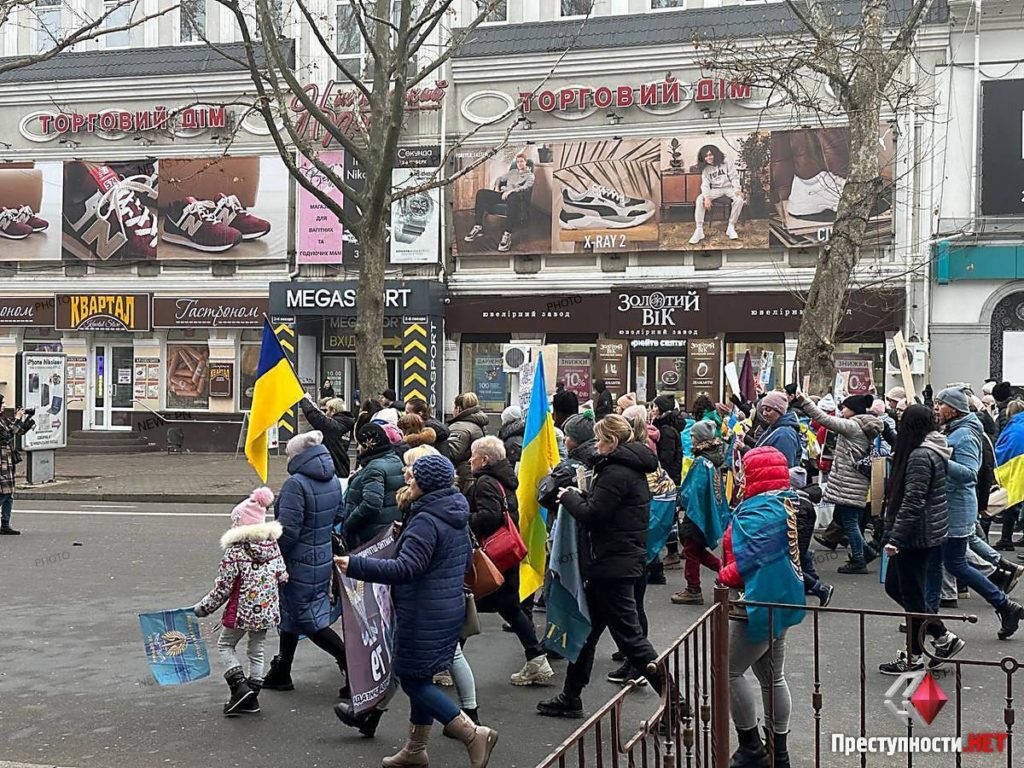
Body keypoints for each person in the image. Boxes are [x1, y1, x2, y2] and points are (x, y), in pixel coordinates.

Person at [336, 455, 499, 768]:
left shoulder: (425, 519)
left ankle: (472, 734)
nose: (406, 481)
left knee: (412, 680)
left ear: (426, 483)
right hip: (446, 607)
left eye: (412, 477)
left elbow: (406, 568)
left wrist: (354, 564)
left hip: (423, 612)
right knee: (421, 676)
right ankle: (414, 750)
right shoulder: (453, 510)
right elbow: (462, 561)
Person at [538, 415, 663, 718]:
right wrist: (582, 495)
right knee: (587, 632)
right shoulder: (623, 469)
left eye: (601, 439)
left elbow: (594, 514)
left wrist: (569, 497)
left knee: (631, 640)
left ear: (613, 442)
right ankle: (571, 695)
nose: (597, 445)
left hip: (612, 565)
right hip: (611, 561)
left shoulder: (616, 472)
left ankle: (675, 702)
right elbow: (604, 507)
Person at [719, 447, 805, 768]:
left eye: (743, 470)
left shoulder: (759, 512)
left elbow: (746, 564)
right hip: (780, 598)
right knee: (772, 677)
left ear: (753, 473)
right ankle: (778, 755)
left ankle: (751, 747)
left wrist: (723, 573)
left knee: (728, 671)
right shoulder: (784, 504)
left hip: (755, 601)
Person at [878, 404, 964, 675]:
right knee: (897, 587)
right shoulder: (932, 450)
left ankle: (915, 656)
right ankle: (942, 636)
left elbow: (913, 500)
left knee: (911, 596)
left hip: (915, 536)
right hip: (925, 532)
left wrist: (896, 537)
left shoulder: (920, 455)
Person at [262, 431, 350, 695]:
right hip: (321, 556)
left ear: (299, 456)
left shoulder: (296, 485)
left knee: (309, 618)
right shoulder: (333, 480)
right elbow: (339, 513)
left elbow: (288, 530)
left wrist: (274, 556)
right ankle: (282, 670)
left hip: (297, 560)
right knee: (291, 613)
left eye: (289, 454)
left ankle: (350, 663)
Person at [932, 387, 1024, 640]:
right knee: (947, 562)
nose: (937, 408)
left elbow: (969, 472)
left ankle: (1004, 604)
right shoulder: (955, 430)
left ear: (954, 408)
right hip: (950, 506)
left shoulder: (965, 434)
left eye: (940, 404)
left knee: (952, 562)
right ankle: (926, 617)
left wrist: (938, 458)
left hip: (957, 508)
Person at [468, 436, 555, 686]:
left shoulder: (485, 482)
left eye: (473, 455)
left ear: (484, 459)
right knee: (509, 608)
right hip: (506, 555)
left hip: (491, 556)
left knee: (466, 605)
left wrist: (464, 517)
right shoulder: (504, 479)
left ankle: (445, 663)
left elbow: (489, 516)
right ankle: (537, 658)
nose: (470, 460)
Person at [193, 487, 287, 716]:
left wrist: (203, 608)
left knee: (225, 645)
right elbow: (283, 575)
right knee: (257, 649)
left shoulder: (235, 551)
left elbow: (223, 587)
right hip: (267, 611)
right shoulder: (272, 545)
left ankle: (239, 686)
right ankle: (252, 694)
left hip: (241, 611)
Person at [794, 393, 883, 574]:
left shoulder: (853, 426)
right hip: (852, 483)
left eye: (845, 407)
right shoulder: (863, 426)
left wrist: (805, 401)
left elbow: (824, 419)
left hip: (848, 484)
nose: (842, 410)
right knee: (845, 519)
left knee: (850, 523)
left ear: (854, 410)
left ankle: (859, 560)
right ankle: (867, 551)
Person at [672, 420, 727, 606]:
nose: (691, 438)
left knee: (691, 550)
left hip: (697, 514)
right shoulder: (712, 460)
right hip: (705, 512)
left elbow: (694, 490)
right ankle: (726, 571)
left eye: (693, 436)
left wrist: (682, 498)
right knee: (695, 550)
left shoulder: (701, 462)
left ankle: (693, 588)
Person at [341, 424, 405, 549]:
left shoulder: (374, 468)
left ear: (368, 445)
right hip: (386, 531)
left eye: (360, 444)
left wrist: (348, 523)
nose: (359, 448)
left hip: (371, 535)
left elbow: (371, 504)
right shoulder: (395, 459)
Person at [463, 153, 535, 253]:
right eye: (518, 162)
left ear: (526, 162)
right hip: (503, 194)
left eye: (521, 161)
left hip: (516, 197)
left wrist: (510, 191)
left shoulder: (530, 175)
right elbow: (499, 179)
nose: (519, 164)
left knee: (513, 197)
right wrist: (497, 187)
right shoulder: (512, 172)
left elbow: (526, 187)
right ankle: (478, 226)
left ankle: (507, 234)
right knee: (481, 193)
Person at [789, 468, 834, 606]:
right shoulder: (804, 499)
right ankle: (813, 583)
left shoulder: (799, 503)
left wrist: (794, 545)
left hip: (796, 543)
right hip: (801, 543)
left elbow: (799, 529)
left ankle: (819, 587)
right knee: (805, 559)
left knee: (790, 568)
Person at [689, 144, 744, 244]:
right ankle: (699, 230)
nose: (708, 158)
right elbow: (705, 184)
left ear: (715, 154)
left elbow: (734, 177)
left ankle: (731, 226)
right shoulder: (705, 169)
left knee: (740, 199)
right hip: (715, 189)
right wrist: (706, 197)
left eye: (710, 154)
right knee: (699, 199)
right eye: (705, 156)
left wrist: (737, 189)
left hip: (729, 188)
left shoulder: (726, 162)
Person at [299, 395, 356, 478]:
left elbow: (315, 416)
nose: (325, 413)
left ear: (333, 411)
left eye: (326, 410)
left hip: (334, 470)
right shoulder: (346, 424)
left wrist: (304, 399)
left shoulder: (333, 426)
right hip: (343, 468)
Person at [443, 393, 490, 492]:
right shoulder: (477, 423)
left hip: (462, 478)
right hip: (473, 474)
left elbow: (452, 453)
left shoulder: (460, 426)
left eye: (454, 407)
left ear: (459, 409)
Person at [0, 394, 32, 535]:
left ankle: (5, 524)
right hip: (1, 460)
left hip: (7, 460)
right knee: (4, 493)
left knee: (9, 494)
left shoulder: (3, 419)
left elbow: (18, 431)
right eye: (2, 403)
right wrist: (18, 418)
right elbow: (6, 436)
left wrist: (27, 420)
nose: (4, 406)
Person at [994, 400, 1024, 550]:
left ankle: (1006, 539)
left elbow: (1002, 450)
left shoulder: (1012, 428)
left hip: (1016, 471)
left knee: (1011, 505)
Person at [754, 390, 802, 469]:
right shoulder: (774, 428)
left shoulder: (785, 434)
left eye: (768, 409)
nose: (764, 413)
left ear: (779, 411)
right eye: (763, 409)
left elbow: (785, 468)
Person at [651, 394, 684, 485]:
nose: (653, 409)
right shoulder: (667, 426)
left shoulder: (666, 431)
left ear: (662, 408)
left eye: (656, 406)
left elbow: (666, 458)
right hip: (671, 476)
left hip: (668, 478)